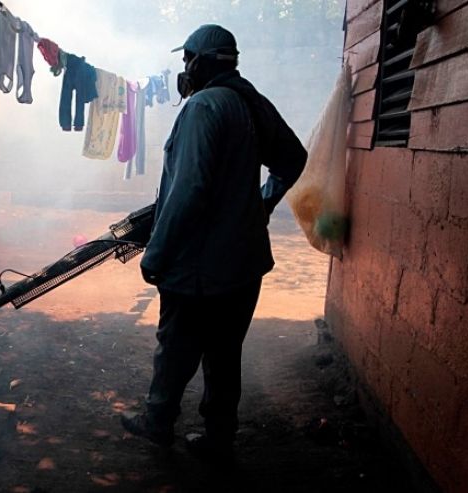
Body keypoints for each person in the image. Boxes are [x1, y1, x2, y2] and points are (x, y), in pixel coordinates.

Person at [121, 25, 307, 458]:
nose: (184, 69)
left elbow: (188, 191)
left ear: (201, 62)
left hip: (200, 265)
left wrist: (157, 253)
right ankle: (219, 440)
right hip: (244, 263)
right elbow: (293, 158)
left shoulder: (203, 107)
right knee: (225, 354)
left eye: (187, 60)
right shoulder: (250, 101)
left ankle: (158, 422)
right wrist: (262, 203)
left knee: (177, 348)